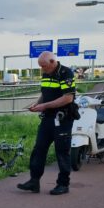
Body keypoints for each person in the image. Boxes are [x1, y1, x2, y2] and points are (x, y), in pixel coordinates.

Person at [17, 51, 76, 195]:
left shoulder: (66, 73)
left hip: (62, 118)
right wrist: (37, 104)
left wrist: (45, 106)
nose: (42, 69)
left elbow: (68, 98)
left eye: (44, 66)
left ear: (52, 62)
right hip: (48, 118)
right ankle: (34, 181)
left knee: (62, 152)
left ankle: (63, 184)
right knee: (39, 149)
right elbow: (45, 93)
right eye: (40, 67)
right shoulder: (46, 73)